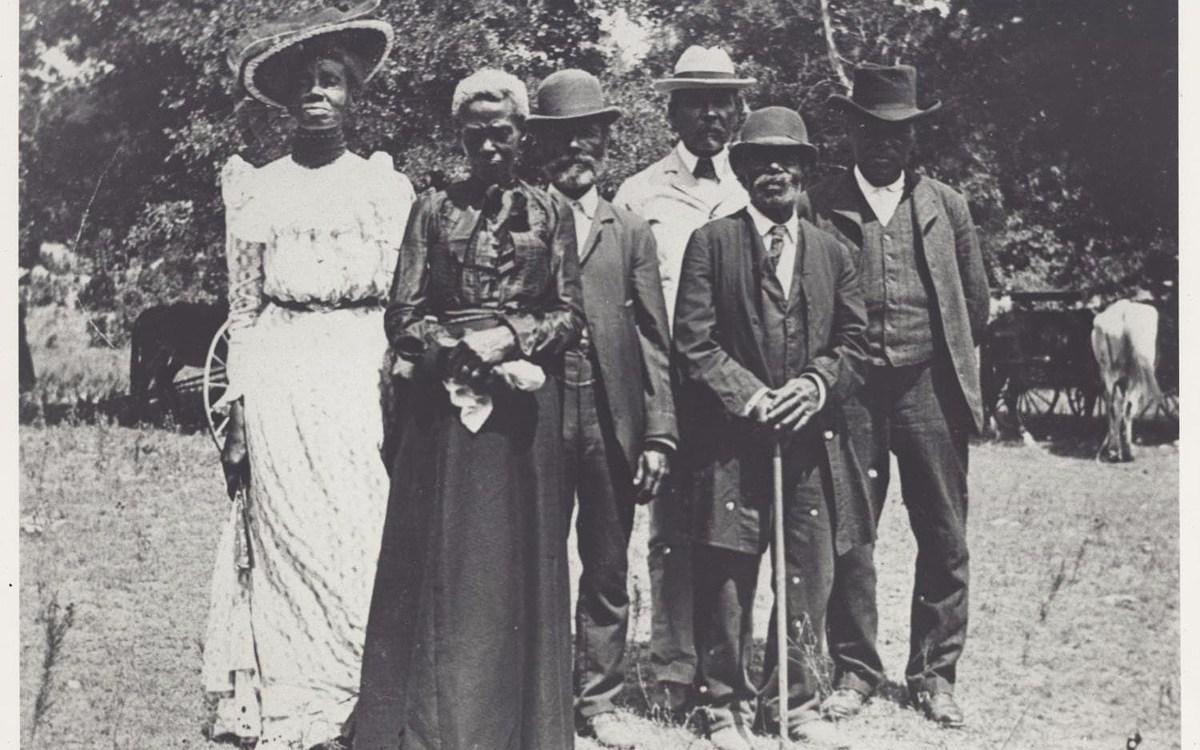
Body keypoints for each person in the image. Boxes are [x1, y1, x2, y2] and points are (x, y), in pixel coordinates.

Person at [350, 69, 585, 750]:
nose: (488, 146)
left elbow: (568, 314)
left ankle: (521, 729)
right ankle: (430, 725)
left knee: (516, 572)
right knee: (443, 567)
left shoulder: (551, 213)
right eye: (475, 134)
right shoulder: (432, 209)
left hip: (520, 421)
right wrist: (456, 347)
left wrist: (511, 338)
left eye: (501, 133)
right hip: (443, 412)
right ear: (460, 136)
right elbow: (403, 312)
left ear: (522, 136)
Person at [203, 3, 415, 747]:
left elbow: (401, 306)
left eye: (332, 81)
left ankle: (355, 698)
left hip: (359, 373)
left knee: (357, 530)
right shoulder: (257, 189)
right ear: (287, 99)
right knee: (287, 535)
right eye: (305, 83)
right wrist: (239, 409)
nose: (317, 94)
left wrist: (397, 386)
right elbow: (246, 310)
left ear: (353, 94)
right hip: (283, 374)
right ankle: (293, 706)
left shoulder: (384, 189)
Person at [673, 106, 870, 750]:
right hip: (733, 441)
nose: (775, 170)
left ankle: (794, 700)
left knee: (806, 570)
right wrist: (752, 396)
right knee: (729, 570)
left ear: (807, 171)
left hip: (809, 443)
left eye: (788, 160)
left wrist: (814, 385)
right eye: (760, 160)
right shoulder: (713, 242)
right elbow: (694, 344)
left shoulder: (833, 252)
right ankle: (722, 703)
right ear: (742, 169)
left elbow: (855, 342)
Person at [800, 63, 989, 728]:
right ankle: (855, 669)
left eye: (900, 132)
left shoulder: (947, 206)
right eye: (873, 128)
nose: (886, 142)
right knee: (851, 535)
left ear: (915, 138)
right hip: (850, 394)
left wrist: (944, 364)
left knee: (944, 535)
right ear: (851, 130)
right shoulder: (818, 203)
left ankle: (935, 675)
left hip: (929, 389)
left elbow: (975, 302)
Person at [526, 69, 677, 749]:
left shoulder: (632, 230)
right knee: (536, 557)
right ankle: (537, 691)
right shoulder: (519, 218)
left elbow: (653, 338)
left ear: (606, 143)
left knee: (608, 564)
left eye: (587, 136)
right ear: (542, 146)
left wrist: (659, 436)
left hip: (613, 417)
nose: (575, 150)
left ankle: (599, 697)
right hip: (536, 418)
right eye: (561, 138)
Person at [610, 44, 753, 715]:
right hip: (667, 391)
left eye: (722, 100)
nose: (711, 114)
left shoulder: (756, 187)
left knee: (733, 535)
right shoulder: (638, 194)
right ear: (672, 108)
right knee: (669, 534)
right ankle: (670, 673)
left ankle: (728, 670)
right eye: (696, 100)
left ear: (738, 108)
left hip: (737, 393)